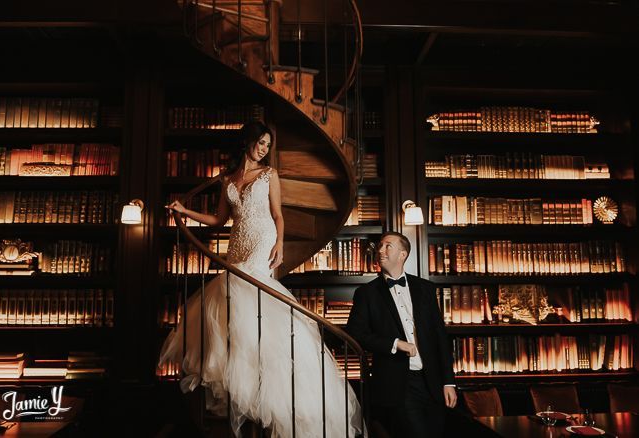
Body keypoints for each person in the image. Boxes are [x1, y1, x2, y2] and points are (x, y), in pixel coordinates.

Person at [159, 121, 363, 438]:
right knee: (231, 303)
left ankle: (266, 390)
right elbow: (218, 219)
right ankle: (243, 384)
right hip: (236, 243)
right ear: (248, 142)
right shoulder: (228, 179)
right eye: (261, 142)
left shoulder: (270, 175)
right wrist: (185, 211)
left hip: (262, 240)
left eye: (268, 144)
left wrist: (280, 243)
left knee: (248, 296)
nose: (264, 148)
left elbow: (278, 214)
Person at [346, 231, 457, 437]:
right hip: (398, 385)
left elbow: (440, 337)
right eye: (380, 246)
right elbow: (356, 332)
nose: (380, 250)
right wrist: (396, 344)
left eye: (387, 246)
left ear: (403, 254)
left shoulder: (425, 288)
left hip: (433, 384)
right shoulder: (366, 293)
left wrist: (448, 381)